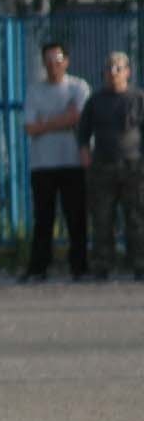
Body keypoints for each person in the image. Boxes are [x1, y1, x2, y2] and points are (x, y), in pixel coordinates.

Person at [21, 41, 91, 282]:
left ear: (66, 62)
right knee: (43, 218)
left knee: (76, 217)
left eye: (58, 60)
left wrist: (46, 124)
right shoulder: (35, 91)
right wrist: (63, 120)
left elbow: (79, 118)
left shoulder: (78, 87)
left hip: (72, 161)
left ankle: (80, 267)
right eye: (49, 62)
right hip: (43, 165)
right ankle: (38, 268)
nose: (54, 66)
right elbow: (30, 127)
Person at [74, 50, 144, 282]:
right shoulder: (95, 100)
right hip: (103, 165)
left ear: (128, 72)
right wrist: (84, 152)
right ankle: (103, 264)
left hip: (133, 165)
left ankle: (139, 263)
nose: (113, 73)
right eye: (109, 69)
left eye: (118, 68)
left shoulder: (137, 98)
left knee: (136, 216)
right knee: (102, 217)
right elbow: (83, 131)